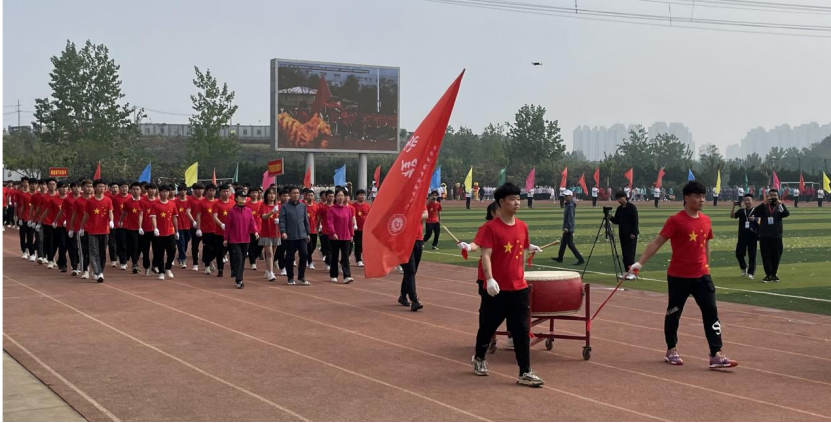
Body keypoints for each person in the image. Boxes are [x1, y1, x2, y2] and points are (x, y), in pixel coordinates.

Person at [627, 180, 738, 370]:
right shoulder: (675, 220)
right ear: (687, 198)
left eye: (703, 196)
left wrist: (707, 267)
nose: (702, 200)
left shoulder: (706, 220)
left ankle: (716, 353)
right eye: (697, 196)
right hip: (679, 276)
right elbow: (657, 242)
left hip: (702, 276)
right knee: (674, 313)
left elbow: (706, 245)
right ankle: (671, 349)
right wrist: (640, 263)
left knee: (711, 313)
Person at [466, 183, 544, 387]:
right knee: (487, 327)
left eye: (518, 198)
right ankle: (479, 357)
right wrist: (490, 279)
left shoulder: (523, 226)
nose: (517, 202)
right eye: (512, 199)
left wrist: (529, 253)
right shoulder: (490, 228)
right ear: (501, 202)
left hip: (519, 288)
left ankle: (525, 371)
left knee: (521, 331)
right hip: (497, 289)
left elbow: (522, 249)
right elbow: (486, 255)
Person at [79, 179, 115, 283]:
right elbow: (86, 215)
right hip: (93, 230)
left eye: (103, 187)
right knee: (94, 252)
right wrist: (82, 227)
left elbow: (110, 212)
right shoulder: (90, 201)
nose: (101, 188)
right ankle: (97, 271)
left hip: (105, 230)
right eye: (99, 186)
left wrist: (111, 221)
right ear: (95, 188)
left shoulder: (108, 200)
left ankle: (100, 271)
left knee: (102, 252)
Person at [224, 191, 260, 289]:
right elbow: (228, 226)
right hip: (234, 240)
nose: (244, 198)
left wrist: (255, 231)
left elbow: (252, 222)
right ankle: (239, 280)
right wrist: (225, 238)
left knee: (242, 259)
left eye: (245, 197)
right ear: (236, 198)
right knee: (239, 258)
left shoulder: (248, 210)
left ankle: (239, 278)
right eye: (241, 197)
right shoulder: (231, 211)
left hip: (246, 239)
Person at [753, 189, 789, 283]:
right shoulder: (764, 206)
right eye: (771, 195)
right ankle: (768, 274)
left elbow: (786, 214)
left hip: (776, 235)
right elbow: (755, 212)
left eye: (775, 195)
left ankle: (774, 274)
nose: (773, 197)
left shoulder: (779, 207)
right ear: (768, 196)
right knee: (766, 256)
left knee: (776, 256)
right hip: (764, 235)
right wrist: (763, 203)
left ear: (778, 196)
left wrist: (781, 204)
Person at [280, 186, 311, 286]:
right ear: (290, 194)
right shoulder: (285, 206)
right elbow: (282, 220)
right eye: (294, 193)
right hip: (290, 236)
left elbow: (306, 220)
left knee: (304, 254)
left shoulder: (303, 206)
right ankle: (290, 277)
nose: (296, 195)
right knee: (290, 257)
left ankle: (301, 277)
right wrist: (283, 231)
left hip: (302, 236)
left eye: (297, 193)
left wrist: (308, 233)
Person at [400, 206, 429, 312]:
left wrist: (412, 217)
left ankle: (403, 295)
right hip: (405, 240)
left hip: (418, 239)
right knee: (410, 270)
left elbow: (426, 215)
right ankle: (414, 300)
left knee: (412, 271)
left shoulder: (419, 202)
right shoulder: (403, 203)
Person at [151, 185, 179, 280]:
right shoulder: (155, 204)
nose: (165, 193)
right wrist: (155, 228)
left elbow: (174, 217)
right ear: (159, 193)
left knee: (172, 250)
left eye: (167, 191)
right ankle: (161, 271)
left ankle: (168, 268)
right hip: (159, 233)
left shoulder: (172, 204)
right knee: (160, 253)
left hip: (170, 231)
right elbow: (153, 217)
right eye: (163, 191)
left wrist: (177, 231)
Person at [326, 188, 354, 284]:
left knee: (345, 256)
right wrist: (333, 233)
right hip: (335, 237)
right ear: (335, 197)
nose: (341, 197)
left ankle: (347, 276)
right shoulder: (331, 209)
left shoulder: (348, 209)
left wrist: (351, 234)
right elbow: (330, 222)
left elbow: (350, 223)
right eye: (339, 196)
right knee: (335, 256)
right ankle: (333, 275)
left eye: (342, 196)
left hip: (346, 236)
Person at [609, 191, 639, 279]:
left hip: (631, 234)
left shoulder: (632, 207)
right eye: (617, 199)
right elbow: (617, 221)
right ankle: (627, 272)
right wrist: (609, 217)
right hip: (623, 234)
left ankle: (632, 273)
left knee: (630, 254)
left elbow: (635, 221)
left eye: (620, 198)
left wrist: (633, 232)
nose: (619, 200)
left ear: (625, 197)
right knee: (625, 255)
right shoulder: (619, 209)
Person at [552, 190, 585, 266]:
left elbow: (570, 217)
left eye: (567, 196)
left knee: (570, 245)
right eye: (565, 196)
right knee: (563, 244)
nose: (565, 197)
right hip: (568, 227)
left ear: (570, 196)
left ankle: (580, 259)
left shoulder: (570, 205)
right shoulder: (568, 205)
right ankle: (560, 257)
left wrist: (567, 227)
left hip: (569, 228)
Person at [731, 194, 759, 281]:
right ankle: (743, 266)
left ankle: (751, 273)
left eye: (748, 200)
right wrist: (733, 207)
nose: (747, 202)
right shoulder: (741, 211)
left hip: (752, 236)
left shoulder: (756, 211)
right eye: (745, 200)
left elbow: (762, 220)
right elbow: (732, 216)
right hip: (742, 236)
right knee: (739, 254)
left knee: (752, 255)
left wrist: (755, 219)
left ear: (752, 201)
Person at [117, 182, 143, 274]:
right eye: (134, 189)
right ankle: (135, 264)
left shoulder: (144, 201)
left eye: (137, 189)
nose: (136, 191)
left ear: (140, 190)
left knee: (140, 246)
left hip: (143, 228)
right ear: (131, 190)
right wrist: (120, 221)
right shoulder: (127, 202)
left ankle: (135, 261)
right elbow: (124, 213)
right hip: (131, 227)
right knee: (134, 246)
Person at [212, 185, 235, 278]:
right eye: (224, 191)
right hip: (219, 232)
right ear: (220, 192)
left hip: (231, 233)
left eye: (227, 191)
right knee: (220, 252)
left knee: (232, 252)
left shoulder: (233, 203)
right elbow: (214, 216)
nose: (226, 193)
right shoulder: (216, 204)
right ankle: (220, 269)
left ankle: (233, 270)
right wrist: (221, 224)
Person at [137, 184, 159, 275]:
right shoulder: (142, 201)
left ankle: (155, 265)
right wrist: (140, 227)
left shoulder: (158, 201)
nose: (152, 191)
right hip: (145, 229)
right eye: (151, 189)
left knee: (157, 249)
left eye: (154, 189)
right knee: (145, 250)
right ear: (147, 190)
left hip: (156, 229)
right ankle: (146, 267)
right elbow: (141, 215)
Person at [259, 188, 280, 282]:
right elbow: (264, 217)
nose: (272, 196)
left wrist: (279, 220)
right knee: (269, 253)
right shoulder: (263, 205)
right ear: (266, 195)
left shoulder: (278, 206)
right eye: (270, 194)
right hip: (266, 232)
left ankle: (268, 270)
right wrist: (272, 211)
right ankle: (271, 272)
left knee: (273, 253)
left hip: (276, 232)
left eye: (273, 194)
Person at [185, 183, 205, 271]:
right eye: (198, 189)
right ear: (194, 190)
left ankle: (205, 260)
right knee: (195, 245)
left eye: (201, 189)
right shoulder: (190, 199)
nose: (200, 191)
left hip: (205, 226)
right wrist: (193, 221)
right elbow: (188, 212)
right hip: (194, 226)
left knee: (207, 245)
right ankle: (195, 263)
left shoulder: (205, 199)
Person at [173, 184, 192, 269]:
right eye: (181, 190)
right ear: (179, 191)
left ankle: (180, 256)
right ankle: (183, 259)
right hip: (179, 225)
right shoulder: (175, 202)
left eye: (184, 190)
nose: (183, 192)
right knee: (181, 243)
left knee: (186, 241)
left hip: (188, 225)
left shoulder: (189, 200)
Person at [245, 186, 263, 271]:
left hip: (261, 228)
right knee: (252, 246)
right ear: (249, 194)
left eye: (256, 192)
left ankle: (254, 257)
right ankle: (253, 263)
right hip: (250, 229)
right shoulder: (246, 205)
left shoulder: (261, 204)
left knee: (260, 246)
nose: (255, 194)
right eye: (253, 192)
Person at [352, 189, 371, 267]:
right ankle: (358, 260)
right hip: (357, 229)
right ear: (357, 196)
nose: (362, 196)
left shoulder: (367, 206)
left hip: (365, 229)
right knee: (358, 244)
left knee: (364, 245)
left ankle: (364, 258)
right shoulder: (353, 206)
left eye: (363, 195)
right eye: (360, 195)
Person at [304, 189, 319, 270]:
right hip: (306, 230)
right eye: (309, 195)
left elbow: (318, 217)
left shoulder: (316, 206)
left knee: (313, 246)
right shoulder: (303, 206)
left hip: (314, 229)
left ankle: (306, 257)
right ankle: (310, 262)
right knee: (309, 246)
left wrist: (319, 225)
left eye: (312, 195)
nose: (310, 197)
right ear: (306, 196)